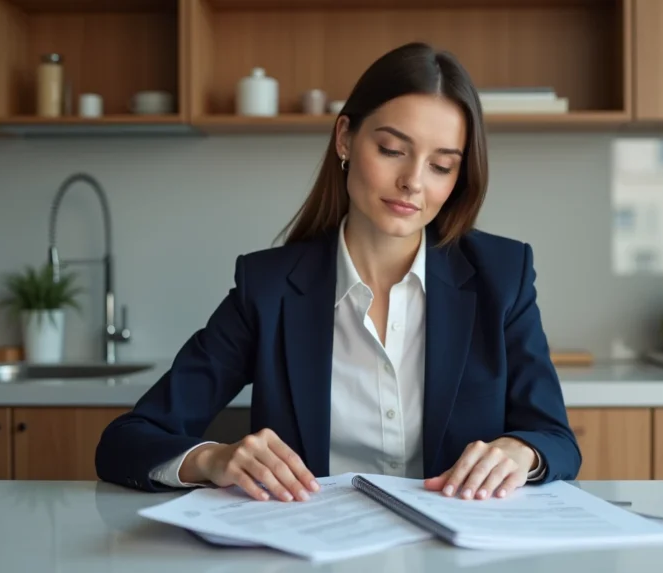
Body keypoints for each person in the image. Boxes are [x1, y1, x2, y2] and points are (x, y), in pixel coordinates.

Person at [95, 42, 581, 504]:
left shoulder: (502, 276)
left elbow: (556, 439)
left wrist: (524, 452)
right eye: (393, 150)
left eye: (441, 165)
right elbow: (127, 441)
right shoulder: (267, 290)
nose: (413, 181)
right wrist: (213, 457)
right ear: (345, 137)